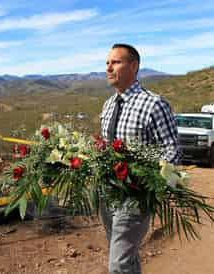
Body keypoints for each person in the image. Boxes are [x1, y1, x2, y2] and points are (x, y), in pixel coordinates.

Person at [100, 43, 180, 274]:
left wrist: (151, 183)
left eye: (115, 62)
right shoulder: (107, 105)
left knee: (119, 263)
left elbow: (172, 149)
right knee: (127, 255)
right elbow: (105, 149)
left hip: (136, 196)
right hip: (108, 194)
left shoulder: (154, 104)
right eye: (107, 63)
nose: (108, 68)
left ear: (133, 66)